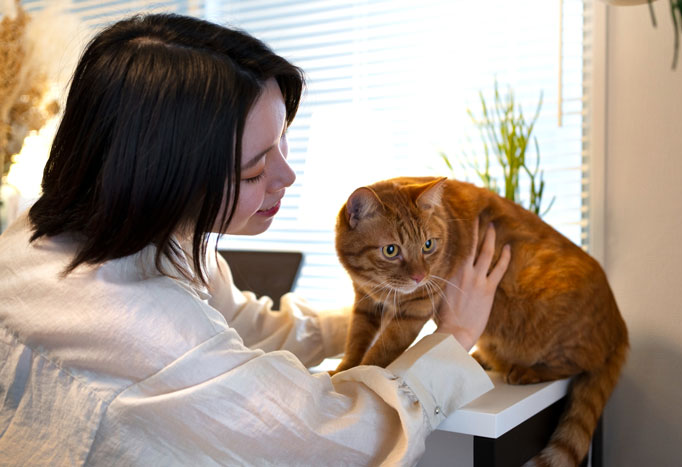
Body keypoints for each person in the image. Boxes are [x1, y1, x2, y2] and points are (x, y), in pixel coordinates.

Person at [0, 13, 511, 466]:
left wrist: (375, 315)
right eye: (253, 171)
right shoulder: (136, 326)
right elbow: (333, 438)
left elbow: (245, 326)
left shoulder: (107, 232)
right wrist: (454, 340)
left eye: (283, 141)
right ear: (168, 176)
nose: (287, 176)